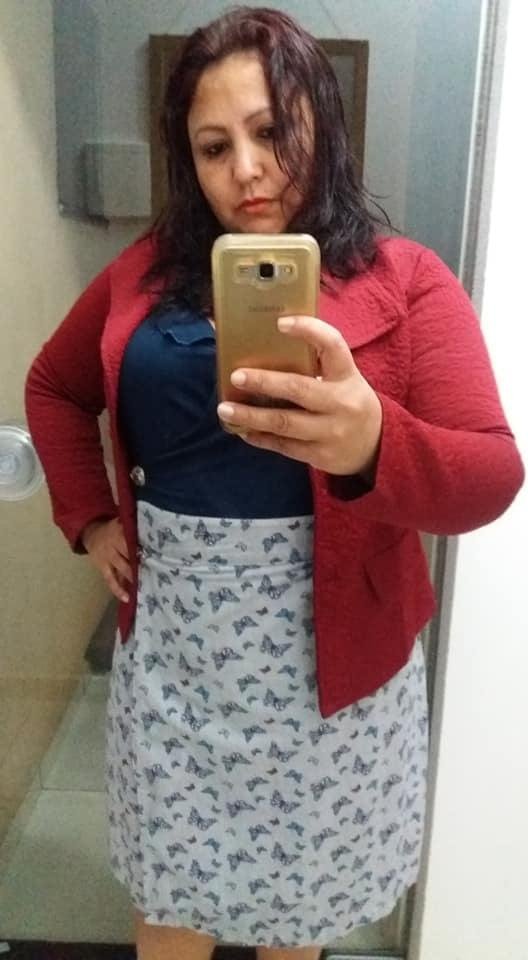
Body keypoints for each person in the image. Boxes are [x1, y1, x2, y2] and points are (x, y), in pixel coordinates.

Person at [25, 7, 524, 960]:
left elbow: (490, 476)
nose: (246, 170)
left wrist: (375, 442)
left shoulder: (410, 280)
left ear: (321, 126)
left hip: (335, 685)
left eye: (270, 131)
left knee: (298, 919)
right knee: (169, 911)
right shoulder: (140, 274)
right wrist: (88, 518)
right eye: (214, 147)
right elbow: (53, 386)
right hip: (177, 674)